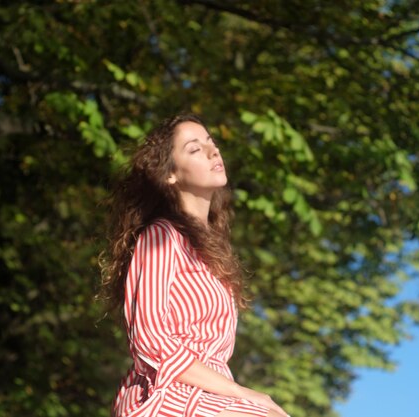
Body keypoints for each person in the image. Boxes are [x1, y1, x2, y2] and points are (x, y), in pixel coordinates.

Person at [99, 114, 289, 417]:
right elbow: (151, 340)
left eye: (211, 143)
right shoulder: (161, 237)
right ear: (170, 175)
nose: (214, 151)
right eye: (194, 149)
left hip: (212, 392)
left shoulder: (210, 252)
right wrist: (242, 394)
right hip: (165, 394)